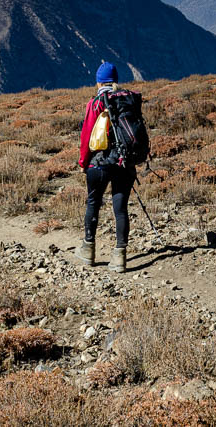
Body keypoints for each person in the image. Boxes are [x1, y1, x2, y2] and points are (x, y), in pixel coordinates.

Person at [76, 61, 135, 273]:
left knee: (93, 202)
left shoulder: (96, 102)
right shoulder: (127, 100)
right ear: (115, 81)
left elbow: (86, 137)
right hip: (124, 163)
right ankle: (120, 257)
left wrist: (83, 162)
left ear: (99, 82)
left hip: (99, 164)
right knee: (120, 209)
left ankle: (88, 250)